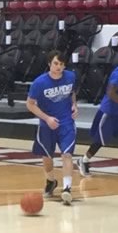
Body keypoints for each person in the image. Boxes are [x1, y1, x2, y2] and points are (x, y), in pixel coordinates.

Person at [26, 52, 80, 206]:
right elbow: (29, 104)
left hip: (66, 123)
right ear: (50, 63)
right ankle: (51, 181)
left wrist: (74, 105)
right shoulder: (39, 83)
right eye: (56, 64)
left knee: (67, 154)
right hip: (47, 123)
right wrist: (47, 118)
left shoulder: (70, 77)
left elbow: (72, 92)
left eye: (62, 64)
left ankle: (67, 189)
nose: (59, 67)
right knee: (47, 157)